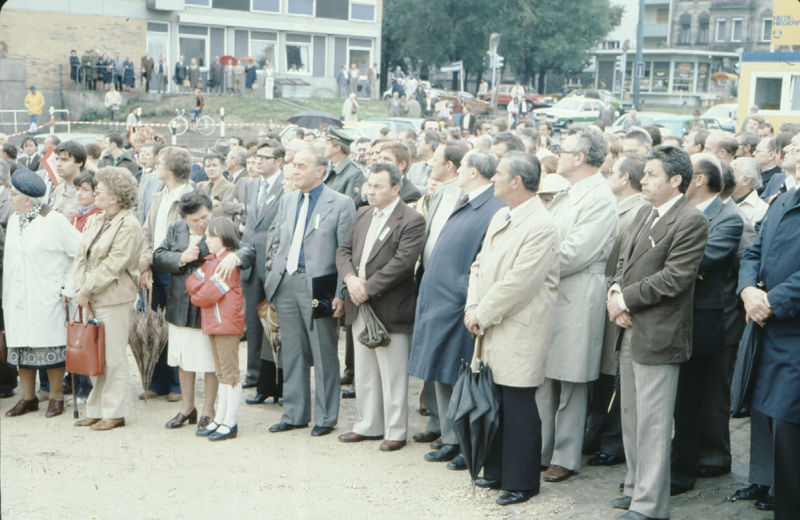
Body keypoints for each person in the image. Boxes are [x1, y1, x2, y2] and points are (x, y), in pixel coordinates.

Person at [606, 145, 708, 520]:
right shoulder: (645, 212)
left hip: (659, 334)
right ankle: (635, 488)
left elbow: (675, 278)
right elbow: (623, 260)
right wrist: (615, 292)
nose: (643, 180)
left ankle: (650, 507)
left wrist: (624, 300)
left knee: (653, 424)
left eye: (651, 174)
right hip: (631, 327)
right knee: (631, 417)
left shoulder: (690, 219)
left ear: (675, 180)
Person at [466, 151, 560, 506]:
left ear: (517, 181)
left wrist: (482, 312)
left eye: (500, 173)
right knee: (497, 399)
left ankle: (522, 481)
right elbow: (479, 264)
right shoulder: (501, 216)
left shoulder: (541, 225)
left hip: (518, 325)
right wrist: (473, 306)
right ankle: (498, 470)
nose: (493, 179)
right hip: (492, 320)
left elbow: (521, 283)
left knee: (518, 402)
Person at [408, 148, 506, 469]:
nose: (458, 170)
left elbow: (484, 259)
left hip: (460, 303)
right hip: (440, 299)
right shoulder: (465, 200)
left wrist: (466, 294)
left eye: (463, 166)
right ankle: (450, 438)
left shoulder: (493, 207)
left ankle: (465, 442)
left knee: (461, 374)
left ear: (475, 171)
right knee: (443, 372)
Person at [539, 126, 619, 483]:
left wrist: (532, 265)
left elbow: (576, 252)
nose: (557, 153)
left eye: (562, 148)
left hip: (577, 291)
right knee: (545, 377)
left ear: (580, 157)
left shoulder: (599, 197)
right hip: (552, 290)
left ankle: (565, 456)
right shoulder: (567, 192)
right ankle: (541, 448)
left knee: (571, 379)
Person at [263, 149, 355, 436]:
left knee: (324, 351)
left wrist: (341, 291)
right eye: (294, 165)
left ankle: (326, 417)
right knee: (291, 351)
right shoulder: (288, 200)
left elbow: (344, 250)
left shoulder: (341, 204)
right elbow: (278, 240)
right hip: (287, 282)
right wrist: (274, 278)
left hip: (320, 286)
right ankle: (294, 413)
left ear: (321, 171)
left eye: (303, 165)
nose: (295, 170)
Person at [335, 162, 425, 451]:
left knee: (393, 371)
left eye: (377, 186)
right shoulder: (363, 214)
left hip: (390, 305)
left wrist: (367, 288)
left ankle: (396, 430)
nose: (370, 191)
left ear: (395, 189)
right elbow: (344, 250)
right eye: (369, 185)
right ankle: (368, 424)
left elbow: (402, 263)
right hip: (359, 303)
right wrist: (350, 280)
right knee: (364, 368)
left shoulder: (411, 220)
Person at [670, 153, 743, 495]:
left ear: (699, 179)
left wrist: (676, 264)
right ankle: (684, 456)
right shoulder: (677, 211)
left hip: (707, 319)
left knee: (703, 395)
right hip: (673, 314)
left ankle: (709, 458)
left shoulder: (729, 217)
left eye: (686, 174)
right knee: (681, 397)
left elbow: (699, 260)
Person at [738, 156, 800, 519]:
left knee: (792, 433)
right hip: (771, 334)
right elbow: (753, 252)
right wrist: (748, 290)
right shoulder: (783, 200)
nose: (794, 150)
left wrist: (773, 301)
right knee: (780, 430)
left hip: (791, 330)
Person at [583, 154, 647, 466]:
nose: (609, 177)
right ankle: (601, 437)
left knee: (616, 377)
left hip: (619, 303)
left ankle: (612, 443)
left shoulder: (635, 212)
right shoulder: (623, 209)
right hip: (610, 298)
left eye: (614, 173)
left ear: (624, 179)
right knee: (608, 375)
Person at [3, 168, 81, 419]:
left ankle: (56, 397)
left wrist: (68, 285)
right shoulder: (15, 220)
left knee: (51, 347)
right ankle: (28, 398)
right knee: (22, 348)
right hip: (18, 296)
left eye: (14, 194)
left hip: (46, 295)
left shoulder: (53, 220)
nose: (9, 197)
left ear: (28, 199)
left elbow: (79, 252)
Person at [71, 167, 143, 430]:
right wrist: (82, 288)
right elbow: (82, 255)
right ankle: (96, 408)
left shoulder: (129, 224)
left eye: (100, 188)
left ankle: (115, 412)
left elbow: (114, 264)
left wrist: (86, 290)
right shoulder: (97, 219)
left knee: (113, 357)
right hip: (91, 296)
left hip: (113, 298)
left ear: (115, 197)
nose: (96, 190)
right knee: (95, 356)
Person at [153, 191, 219, 431]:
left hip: (208, 303)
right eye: (195, 220)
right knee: (183, 358)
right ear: (185, 219)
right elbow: (158, 256)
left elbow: (241, 252)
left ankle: (208, 410)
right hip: (180, 302)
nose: (201, 223)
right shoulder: (176, 229)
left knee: (210, 360)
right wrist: (181, 257)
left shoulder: (219, 228)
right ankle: (186, 407)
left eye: (204, 217)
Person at [140, 147, 195, 401]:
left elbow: (184, 239)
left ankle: (177, 384)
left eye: (160, 162)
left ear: (171, 169)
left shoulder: (188, 198)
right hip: (155, 267)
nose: (155, 165)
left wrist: (156, 257)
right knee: (155, 324)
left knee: (175, 325)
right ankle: (157, 380)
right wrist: (146, 259)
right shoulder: (158, 196)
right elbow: (148, 232)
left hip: (177, 268)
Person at [187, 217, 245, 441]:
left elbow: (209, 291)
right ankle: (220, 418)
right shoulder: (211, 260)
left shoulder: (228, 260)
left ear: (224, 237)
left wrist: (197, 295)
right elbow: (192, 281)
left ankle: (230, 421)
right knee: (221, 373)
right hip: (214, 322)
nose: (207, 240)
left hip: (226, 323)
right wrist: (199, 292)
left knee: (229, 373)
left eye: (212, 236)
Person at [323, 127, 364, 204]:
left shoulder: (354, 173)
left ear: (337, 148)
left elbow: (349, 205)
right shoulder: (329, 168)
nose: (324, 147)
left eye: (328, 144)